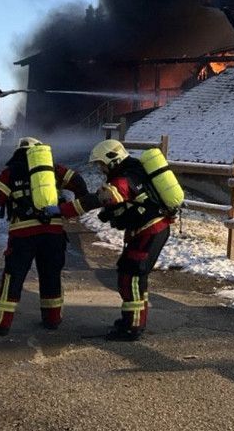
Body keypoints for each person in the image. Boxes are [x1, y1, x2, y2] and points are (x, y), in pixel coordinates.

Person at [59, 140, 173, 341]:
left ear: (112, 159)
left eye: (102, 164)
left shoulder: (124, 178)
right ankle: (132, 320)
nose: (101, 169)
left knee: (132, 276)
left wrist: (64, 211)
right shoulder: (132, 170)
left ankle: (133, 328)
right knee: (129, 273)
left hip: (150, 231)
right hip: (146, 231)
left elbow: (103, 197)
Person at [0, 137, 88, 336]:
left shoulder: (11, 171)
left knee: (13, 277)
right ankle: (52, 319)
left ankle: (1, 323)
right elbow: (79, 183)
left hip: (23, 233)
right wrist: (68, 204)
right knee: (51, 275)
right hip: (53, 232)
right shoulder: (53, 169)